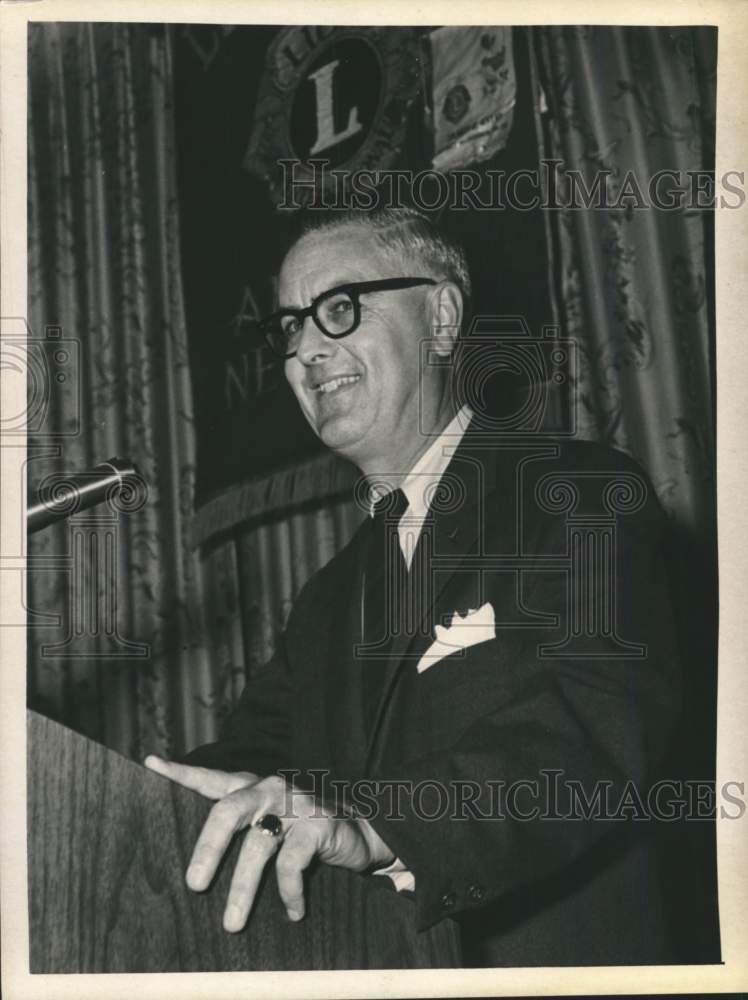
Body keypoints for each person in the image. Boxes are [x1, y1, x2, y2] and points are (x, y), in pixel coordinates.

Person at [146, 207, 682, 966]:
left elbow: (589, 727)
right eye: (290, 327)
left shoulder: (579, 495)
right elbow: (246, 762)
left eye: (339, 308)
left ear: (441, 318)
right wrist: (131, 798)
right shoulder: (327, 602)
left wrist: (380, 828)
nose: (306, 350)